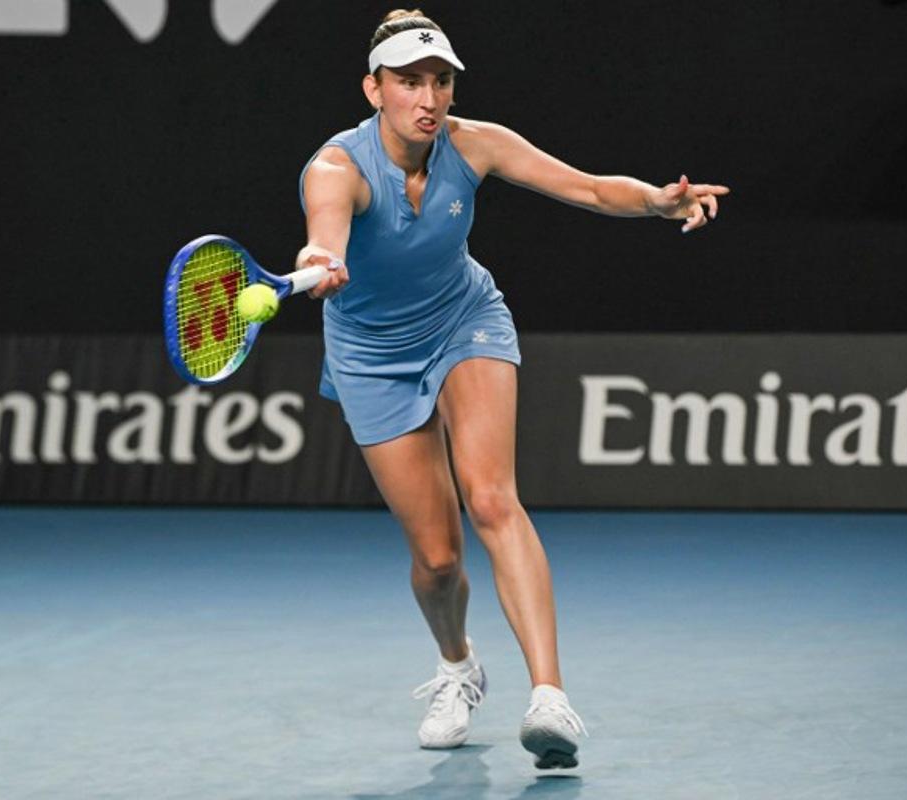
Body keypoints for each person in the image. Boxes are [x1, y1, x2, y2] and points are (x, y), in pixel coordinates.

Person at [296, 9, 729, 769]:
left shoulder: (475, 143)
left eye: (441, 81)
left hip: (464, 320)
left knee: (493, 499)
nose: (429, 99)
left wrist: (657, 201)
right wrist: (320, 261)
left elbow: (588, 188)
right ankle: (458, 666)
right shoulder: (337, 170)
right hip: (372, 354)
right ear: (374, 89)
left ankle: (549, 698)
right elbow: (323, 235)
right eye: (409, 82)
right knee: (437, 560)